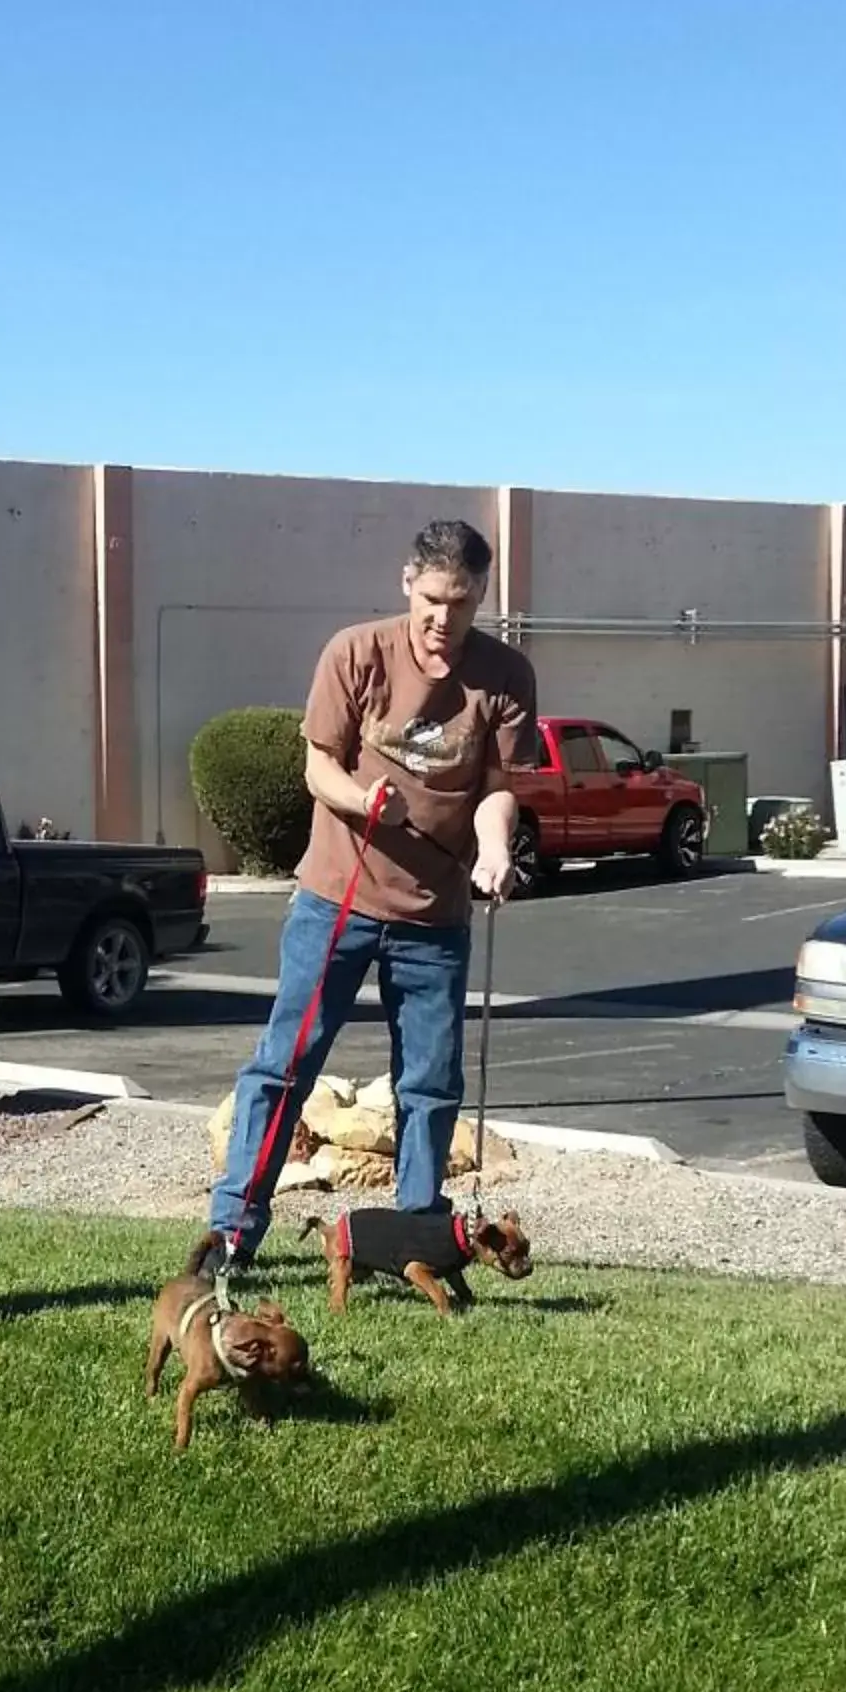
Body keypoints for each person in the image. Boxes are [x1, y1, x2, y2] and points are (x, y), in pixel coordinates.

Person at [207, 516, 538, 1259]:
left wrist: (493, 849)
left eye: (459, 602)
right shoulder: (355, 653)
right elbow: (318, 765)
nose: (442, 621)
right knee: (284, 1067)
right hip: (335, 901)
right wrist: (361, 800)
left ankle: (415, 1241)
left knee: (429, 1085)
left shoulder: (506, 675)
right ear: (406, 584)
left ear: (480, 594)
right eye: (430, 601)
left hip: (435, 917)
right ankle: (232, 1232)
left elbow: (497, 789)